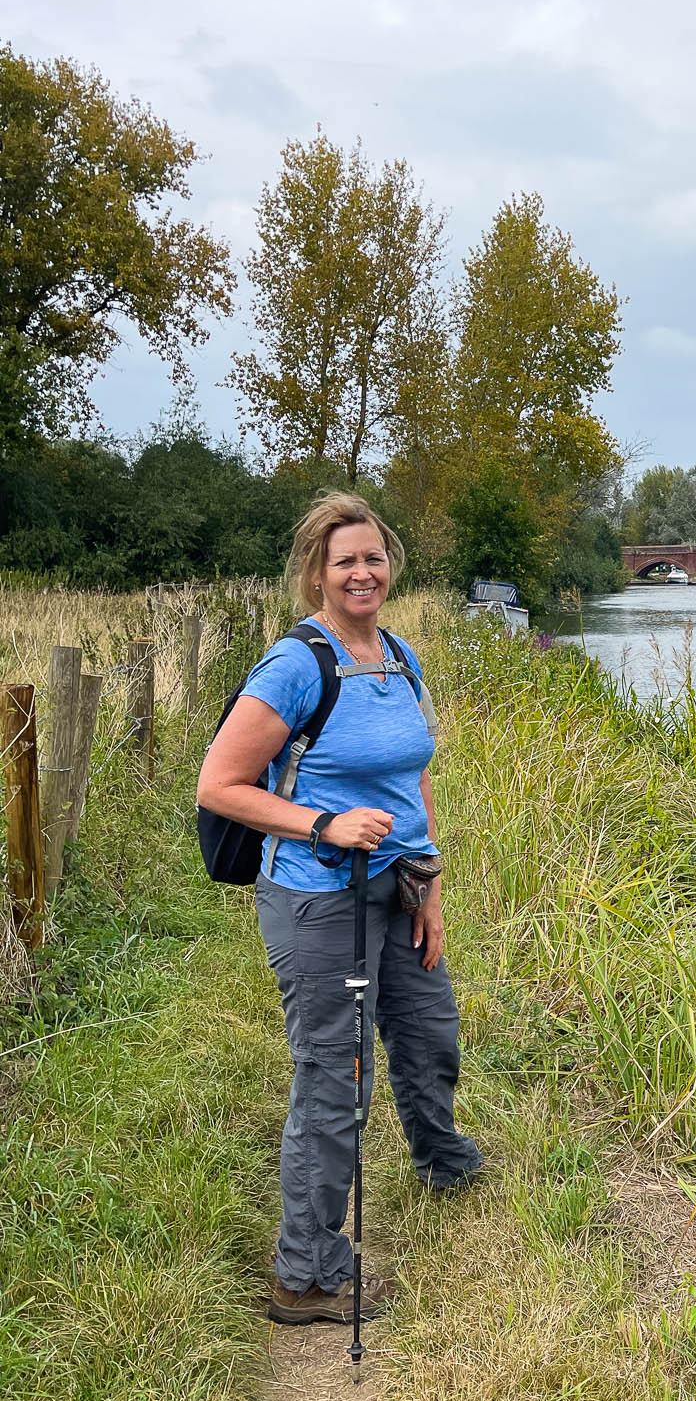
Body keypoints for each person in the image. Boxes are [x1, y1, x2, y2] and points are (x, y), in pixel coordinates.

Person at [198, 493, 482, 1325]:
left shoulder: (397, 656)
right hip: (319, 903)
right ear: (316, 574)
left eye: (373, 557)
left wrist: (429, 885)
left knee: (429, 1032)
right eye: (344, 561)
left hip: (397, 889)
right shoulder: (295, 665)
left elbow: (411, 774)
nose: (363, 572)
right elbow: (220, 785)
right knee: (334, 1080)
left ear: (390, 565)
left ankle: (442, 1162)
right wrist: (325, 822)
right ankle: (307, 1274)